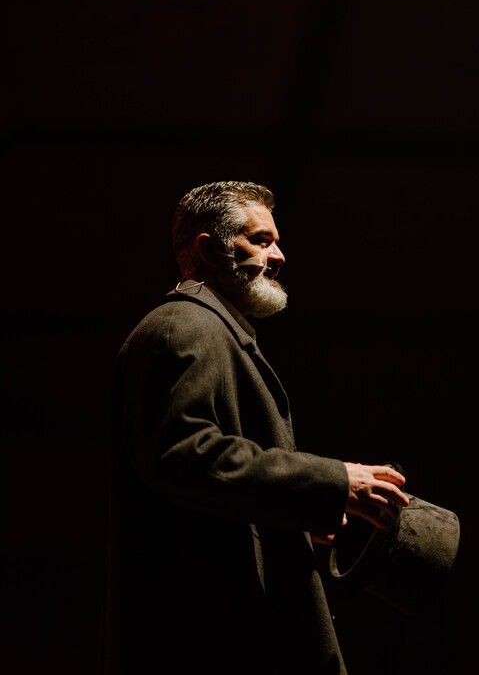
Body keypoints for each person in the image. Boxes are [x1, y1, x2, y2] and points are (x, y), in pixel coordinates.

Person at [99, 180, 409, 675]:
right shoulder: (185, 326)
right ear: (208, 249)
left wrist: (292, 517)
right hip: (204, 644)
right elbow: (185, 457)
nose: (279, 255)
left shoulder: (212, 331)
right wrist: (333, 481)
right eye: (260, 240)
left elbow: (206, 497)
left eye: (276, 241)